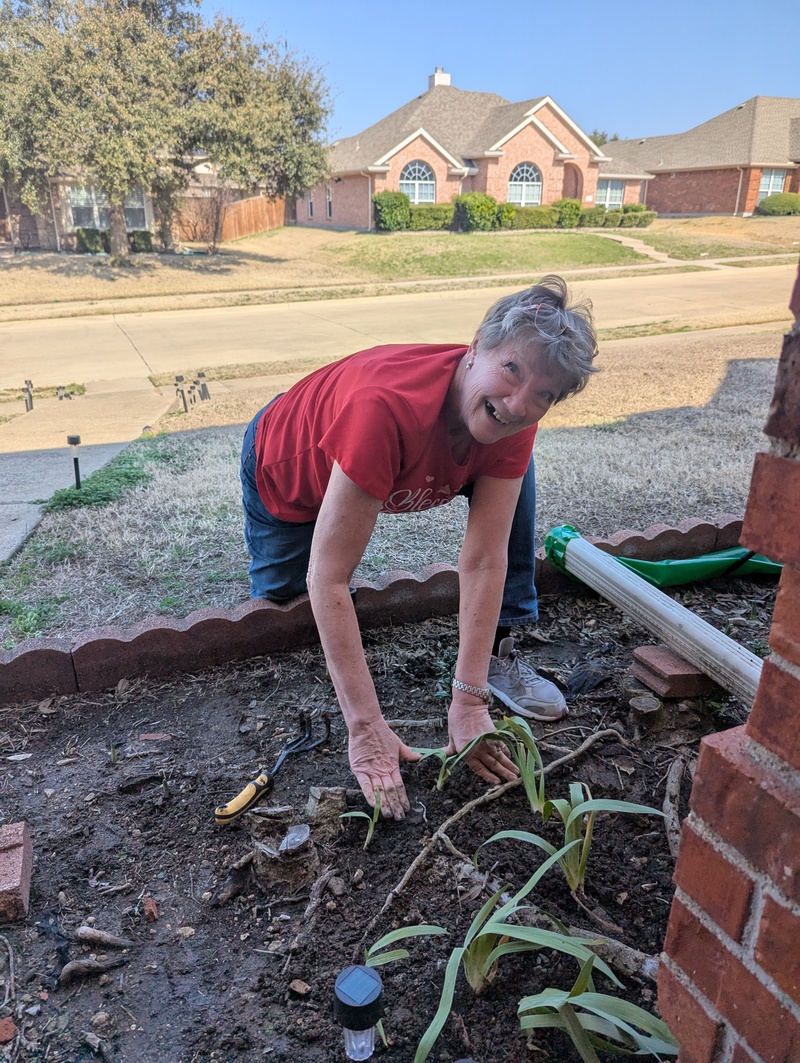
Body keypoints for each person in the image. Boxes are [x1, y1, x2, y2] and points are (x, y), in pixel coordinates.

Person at [241, 275, 598, 820]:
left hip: (398, 446)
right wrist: (364, 727)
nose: (521, 404)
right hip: (288, 464)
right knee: (286, 598)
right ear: (476, 347)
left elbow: (483, 559)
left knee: (516, 477)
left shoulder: (513, 416)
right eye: (512, 370)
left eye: (544, 394)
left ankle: (501, 650)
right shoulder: (384, 405)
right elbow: (328, 578)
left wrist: (468, 699)